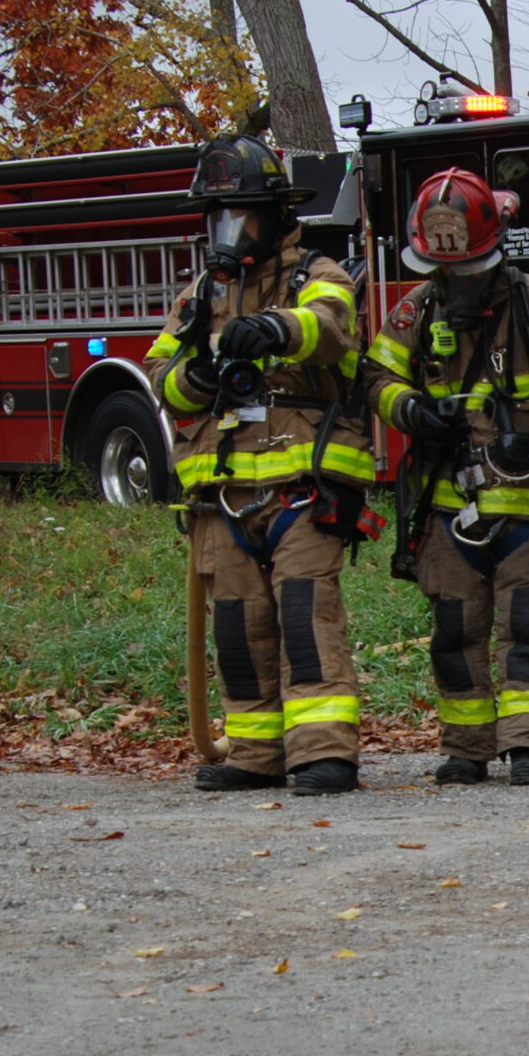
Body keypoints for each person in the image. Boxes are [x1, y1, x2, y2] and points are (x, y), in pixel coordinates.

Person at [145, 127, 377, 796]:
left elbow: (332, 328)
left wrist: (276, 328)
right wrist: (204, 372)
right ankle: (254, 751)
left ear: (276, 216)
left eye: (241, 215)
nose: (229, 231)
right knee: (238, 628)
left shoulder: (317, 276)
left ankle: (325, 754)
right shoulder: (201, 298)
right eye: (218, 217)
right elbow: (160, 373)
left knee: (305, 616)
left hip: (300, 487)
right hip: (221, 493)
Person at [361, 168, 529, 787]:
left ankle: (527, 747)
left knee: (528, 625)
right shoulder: (416, 309)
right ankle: (466, 747)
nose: (456, 283)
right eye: (445, 271)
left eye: (466, 269)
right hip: (448, 504)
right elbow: (378, 379)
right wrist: (411, 410)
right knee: (453, 631)